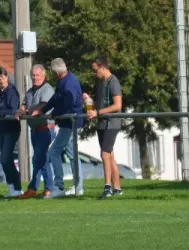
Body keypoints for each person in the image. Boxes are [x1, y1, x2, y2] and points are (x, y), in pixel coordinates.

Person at [31, 58, 84, 198]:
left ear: (57, 73)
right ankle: (77, 187)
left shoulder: (69, 85)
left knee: (54, 151)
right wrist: (43, 110)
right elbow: (55, 98)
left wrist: (53, 114)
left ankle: (60, 187)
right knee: (72, 154)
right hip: (67, 123)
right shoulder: (64, 81)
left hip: (71, 122)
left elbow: (68, 104)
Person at [83, 57, 124, 199]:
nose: (94, 73)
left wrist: (98, 112)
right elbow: (101, 105)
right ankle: (117, 188)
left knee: (104, 154)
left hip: (111, 123)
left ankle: (107, 187)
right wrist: (90, 101)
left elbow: (117, 106)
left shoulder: (114, 82)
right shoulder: (100, 83)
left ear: (102, 68)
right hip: (101, 122)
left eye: (95, 70)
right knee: (110, 155)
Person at [16, 64, 56, 199]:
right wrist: (20, 112)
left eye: (37, 75)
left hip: (46, 129)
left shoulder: (47, 89)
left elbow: (43, 105)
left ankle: (47, 189)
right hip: (34, 130)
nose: (35, 78)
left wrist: (28, 111)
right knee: (39, 160)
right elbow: (23, 106)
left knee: (40, 159)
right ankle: (36, 188)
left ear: (43, 76)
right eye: (33, 75)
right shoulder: (30, 91)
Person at [0, 67, 22, 198]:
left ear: (7, 77)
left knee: (5, 158)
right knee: (6, 161)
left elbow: (12, 110)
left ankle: (17, 187)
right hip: (0, 129)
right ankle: (12, 187)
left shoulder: (12, 92)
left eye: (3, 77)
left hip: (11, 129)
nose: (1, 81)